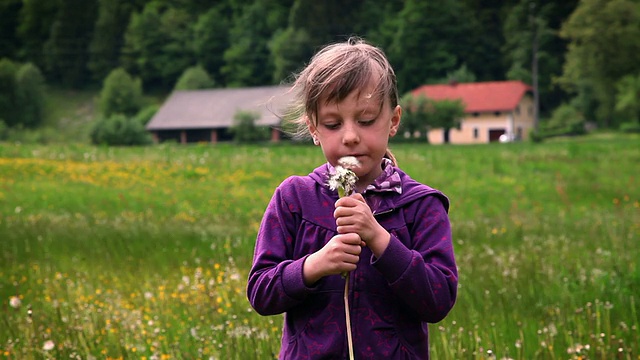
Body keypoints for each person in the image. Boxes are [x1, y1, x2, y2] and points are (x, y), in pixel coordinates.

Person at [247, 37, 458, 359]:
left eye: (366, 120)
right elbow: (261, 293)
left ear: (394, 121)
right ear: (313, 127)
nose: (350, 136)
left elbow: (438, 300)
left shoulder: (420, 205)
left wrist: (379, 239)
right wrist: (314, 265)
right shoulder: (294, 198)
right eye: (332, 124)